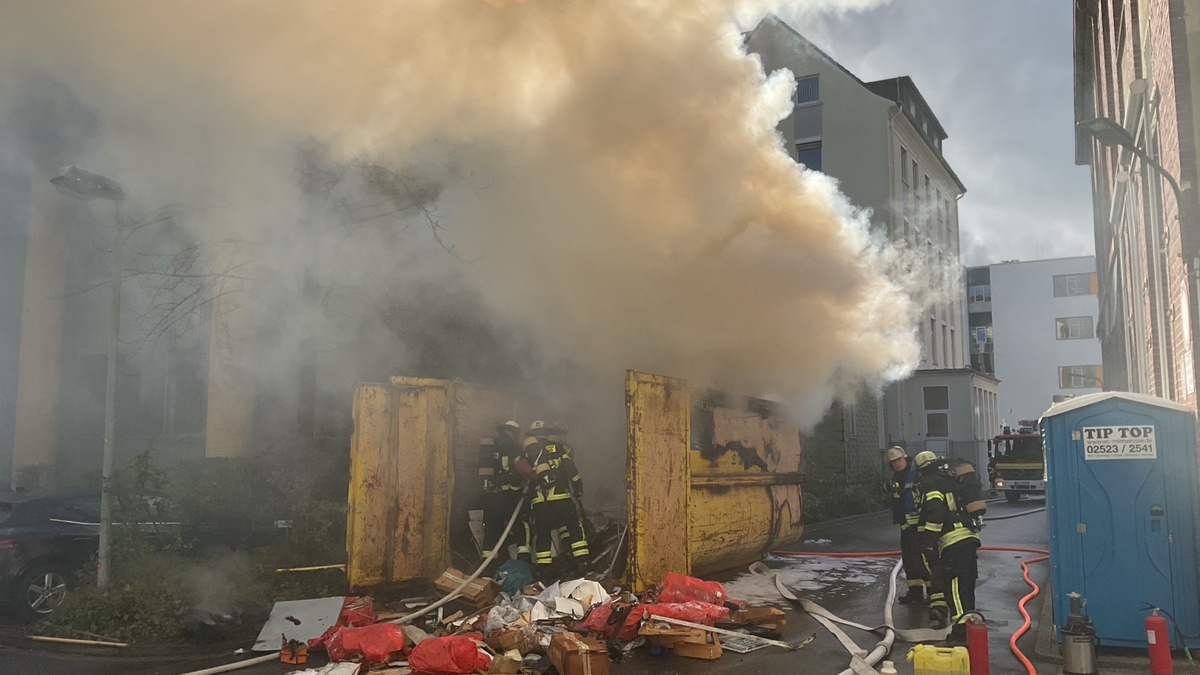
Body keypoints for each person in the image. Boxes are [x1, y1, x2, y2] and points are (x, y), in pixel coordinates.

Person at [914, 450, 981, 646]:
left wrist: (928, 540)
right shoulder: (950, 478)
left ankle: (961, 635)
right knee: (967, 588)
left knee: (956, 591)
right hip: (968, 538)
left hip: (952, 543)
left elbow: (936, 511)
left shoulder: (930, 482)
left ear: (921, 470)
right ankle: (970, 628)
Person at [524, 420, 589, 574]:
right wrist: (578, 488)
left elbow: (524, 475)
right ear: (546, 433)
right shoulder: (558, 448)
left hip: (540, 500)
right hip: (560, 496)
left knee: (543, 532)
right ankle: (582, 562)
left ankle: (545, 569)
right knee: (574, 526)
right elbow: (570, 469)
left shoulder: (528, 454)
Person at [479, 420, 534, 565]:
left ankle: (488, 567)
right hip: (511, 497)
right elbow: (525, 469)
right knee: (522, 527)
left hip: (492, 497)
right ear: (515, 433)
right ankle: (524, 563)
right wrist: (535, 475)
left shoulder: (491, 447)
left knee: (491, 528)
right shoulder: (514, 446)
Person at [886, 446, 928, 604]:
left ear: (905, 458)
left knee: (923, 559)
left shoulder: (914, 475)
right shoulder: (897, 477)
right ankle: (915, 593)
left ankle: (934, 595)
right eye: (893, 462)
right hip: (906, 525)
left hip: (919, 525)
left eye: (898, 460)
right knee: (909, 559)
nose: (896, 464)